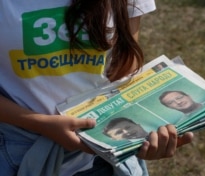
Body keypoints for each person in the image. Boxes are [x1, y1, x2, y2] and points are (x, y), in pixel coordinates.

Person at [0, 1, 193, 176]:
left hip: (103, 155)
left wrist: (142, 137)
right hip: (15, 153)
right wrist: (40, 123)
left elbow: (126, 65)